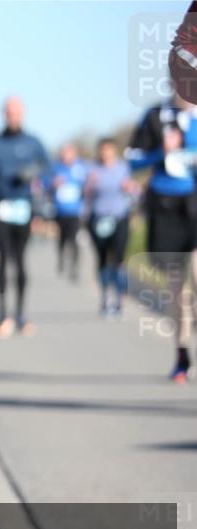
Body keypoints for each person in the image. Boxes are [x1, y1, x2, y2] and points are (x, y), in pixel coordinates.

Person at [127, 90, 197, 383]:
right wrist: (161, 152)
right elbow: (133, 161)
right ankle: (182, 353)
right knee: (177, 289)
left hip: (194, 205)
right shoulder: (154, 117)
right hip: (165, 210)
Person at [0, 95, 50, 339]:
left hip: (24, 207)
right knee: (2, 259)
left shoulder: (33, 142)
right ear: (3, 114)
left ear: (23, 114)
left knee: (20, 260)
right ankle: (1, 313)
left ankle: (21, 312)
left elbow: (47, 165)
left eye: (16, 112)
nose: (13, 116)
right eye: (9, 112)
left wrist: (32, 172)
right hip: (1, 206)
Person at [84, 138, 137, 318]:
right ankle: (105, 297)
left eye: (109, 150)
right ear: (99, 151)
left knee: (119, 259)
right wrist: (89, 186)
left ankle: (119, 300)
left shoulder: (123, 168)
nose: (106, 153)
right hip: (99, 219)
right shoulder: (92, 170)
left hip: (119, 218)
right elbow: (84, 197)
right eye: (103, 150)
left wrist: (130, 189)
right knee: (103, 259)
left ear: (114, 151)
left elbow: (134, 192)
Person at [50, 143, 89, 281]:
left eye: (69, 153)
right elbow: (45, 183)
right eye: (64, 153)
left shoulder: (81, 168)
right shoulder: (56, 168)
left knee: (74, 239)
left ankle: (74, 267)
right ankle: (61, 260)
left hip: (75, 211)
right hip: (60, 211)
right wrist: (53, 183)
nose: (66, 156)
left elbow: (88, 184)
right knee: (62, 238)